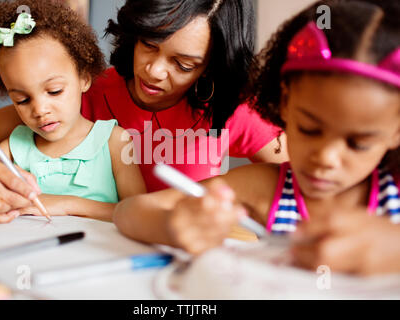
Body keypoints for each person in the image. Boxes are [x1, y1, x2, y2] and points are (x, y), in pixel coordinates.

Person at [112, 0, 400, 275]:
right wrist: (172, 224)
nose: (326, 157)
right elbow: (130, 212)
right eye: (309, 130)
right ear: (284, 104)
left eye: (358, 143)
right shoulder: (267, 187)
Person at [0, 0, 287, 220]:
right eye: (149, 45)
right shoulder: (83, 90)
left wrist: (227, 192)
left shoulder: (230, 108)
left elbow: (297, 174)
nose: (154, 71)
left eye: (183, 64)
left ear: (211, 67)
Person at [0, 0, 146, 223]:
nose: (40, 110)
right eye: (22, 100)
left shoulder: (114, 140)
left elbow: (140, 213)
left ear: (84, 79)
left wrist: (67, 204)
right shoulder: (13, 147)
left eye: (54, 91)